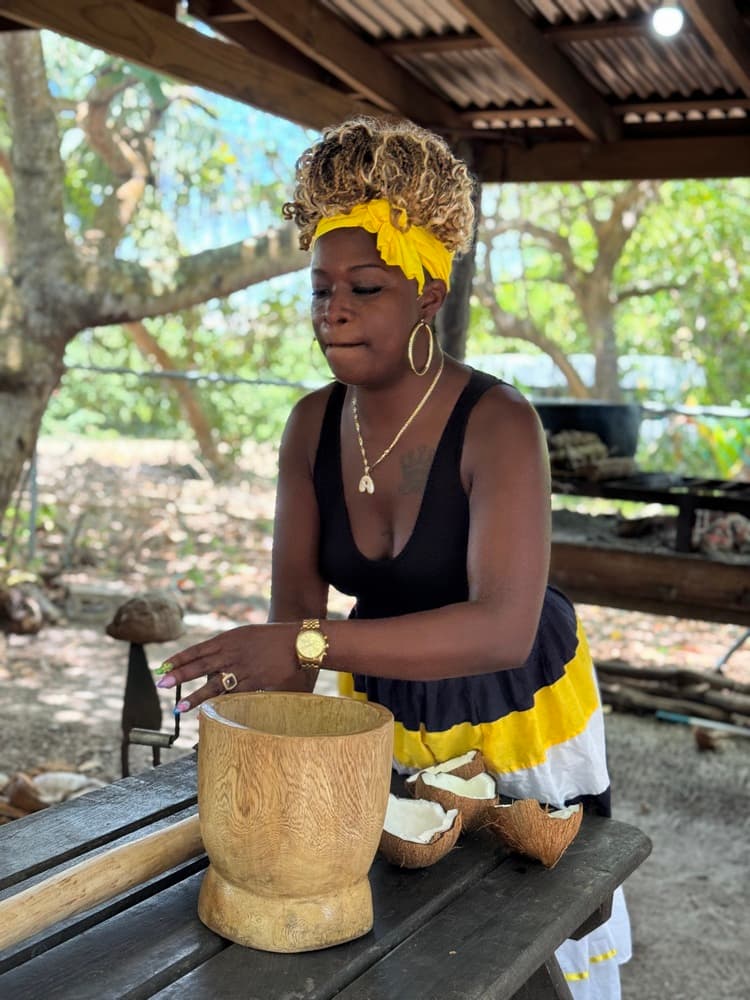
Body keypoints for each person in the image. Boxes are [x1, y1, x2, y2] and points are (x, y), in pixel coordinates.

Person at [156, 115, 631, 998]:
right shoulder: (311, 424)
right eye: (319, 287)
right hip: (377, 693)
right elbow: (292, 636)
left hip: (511, 701)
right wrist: (243, 714)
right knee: (392, 922)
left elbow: (499, 628)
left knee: (522, 927)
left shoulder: (498, 424)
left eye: (364, 287)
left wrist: (300, 645)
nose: (331, 309)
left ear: (426, 294)